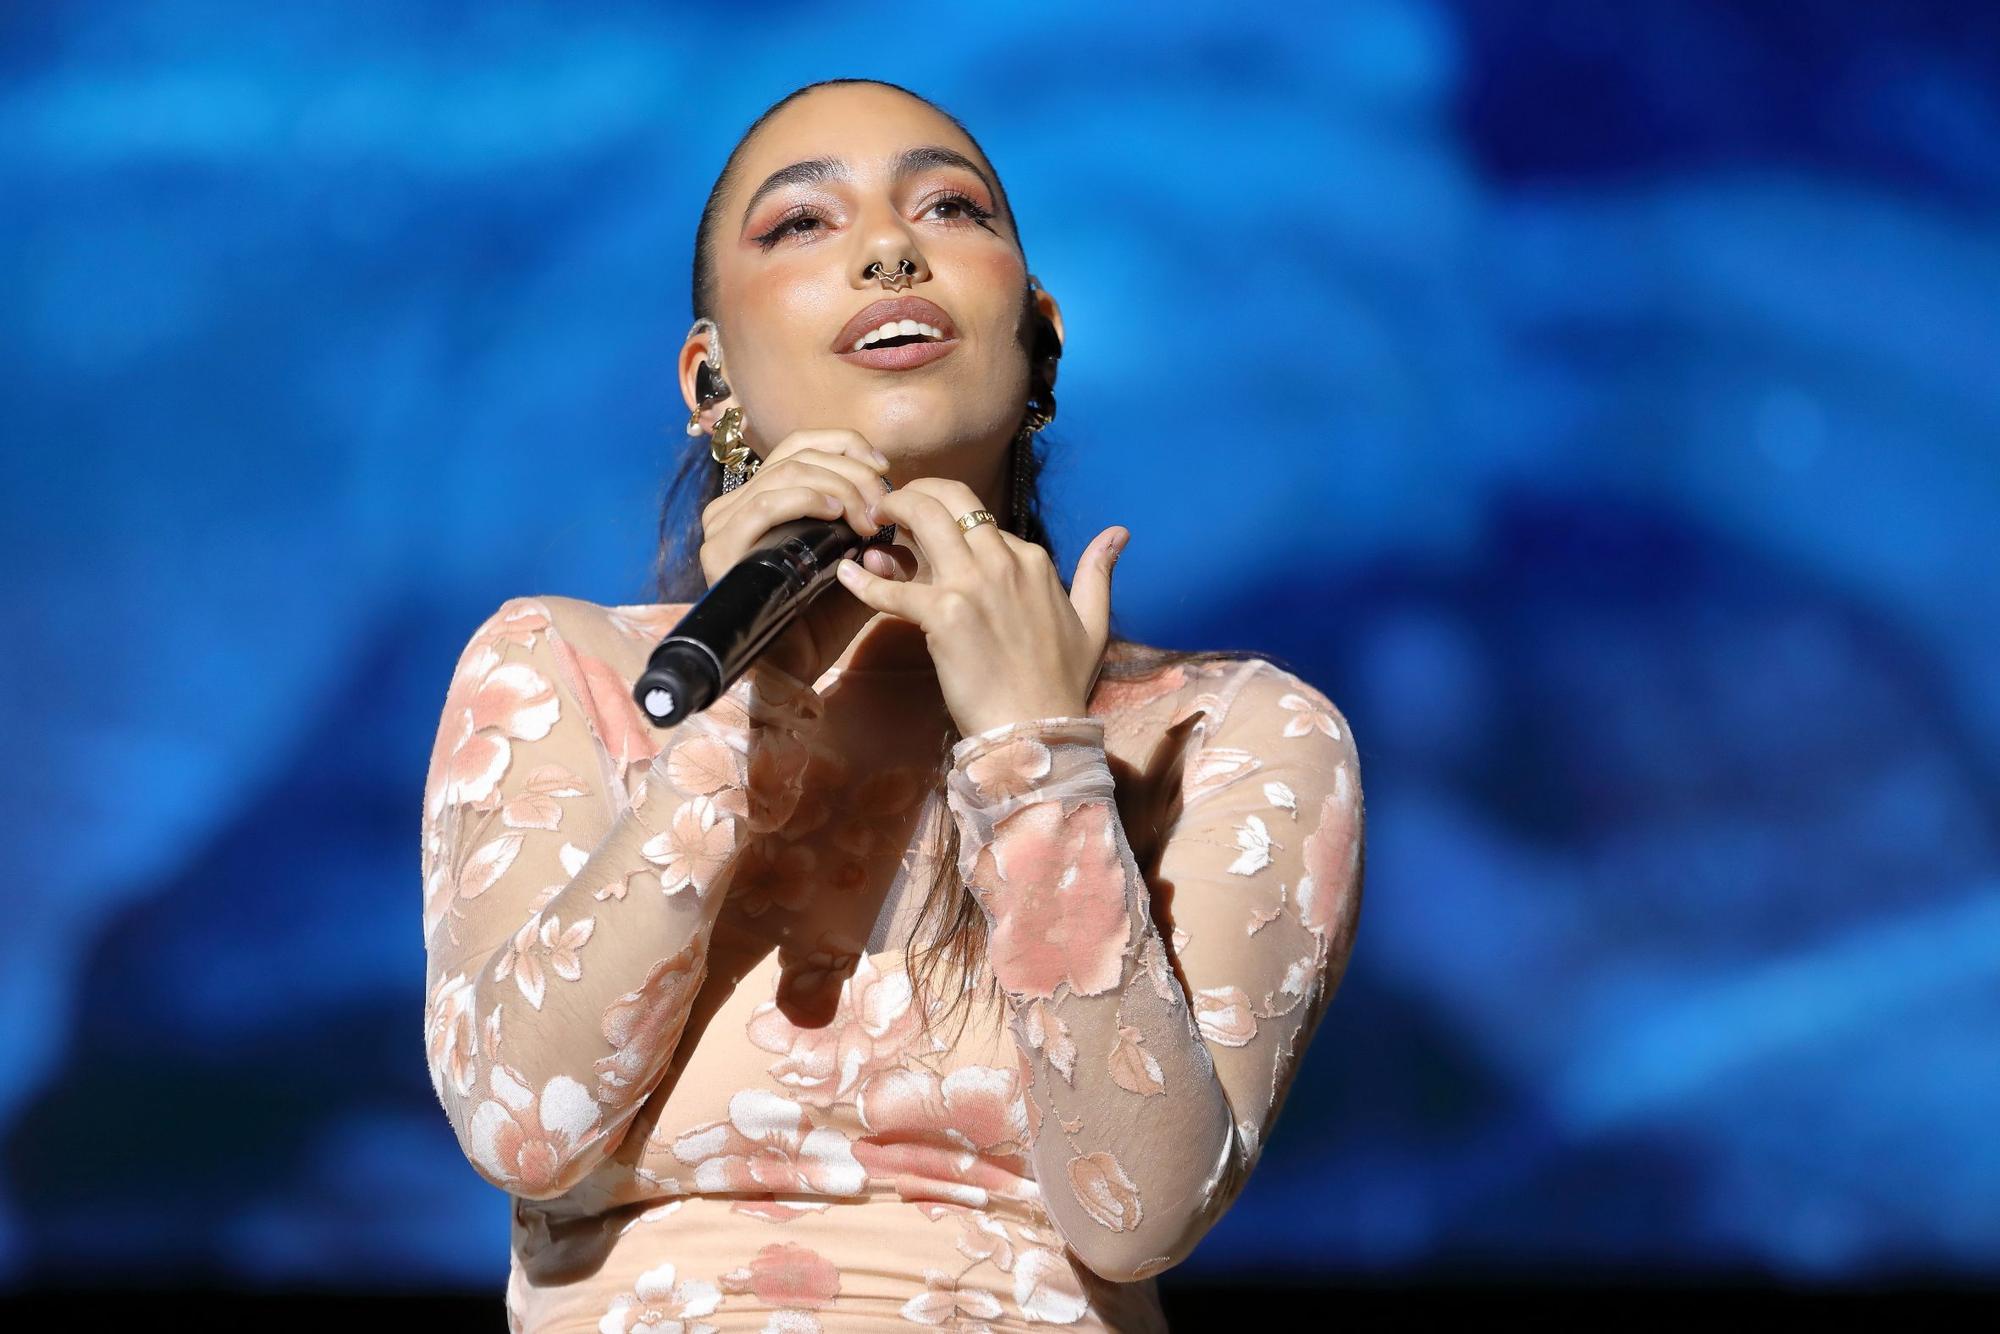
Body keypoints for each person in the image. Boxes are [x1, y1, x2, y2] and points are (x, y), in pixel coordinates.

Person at [421, 78, 1365, 1333]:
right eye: (801, 224)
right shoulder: (574, 671)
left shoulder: (1230, 736)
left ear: (1038, 335)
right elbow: (519, 1123)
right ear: (708, 378)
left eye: (950, 207)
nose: (887, 247)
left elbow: (1137, 1209)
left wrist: (1039, 763)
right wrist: (731, 718)